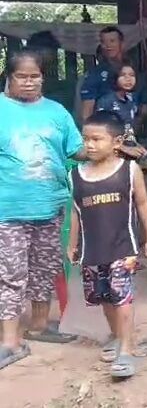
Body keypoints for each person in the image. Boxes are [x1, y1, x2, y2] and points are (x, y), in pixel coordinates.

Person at [0, 50, 86, 370]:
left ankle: (39, 326)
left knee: (44, 270)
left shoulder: (57, 112)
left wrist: (111, 146)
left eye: (34, 76)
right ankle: (9, 341)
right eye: (22, 76)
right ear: (9, 77)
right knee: (10, 275)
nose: (29, 82)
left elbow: (76, 149)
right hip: (7, 210)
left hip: (51, 206)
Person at [65, 111, 147, 378]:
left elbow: (142, 204)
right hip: (92, 250)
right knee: (104, 297)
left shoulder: (129, 170)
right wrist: (72, 244)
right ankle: (118, 337)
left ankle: (126, 351)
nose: (90, 145)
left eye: (97, 139)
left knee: (122, 297)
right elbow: (75, 211)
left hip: (122, 248)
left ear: (116, 142)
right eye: (86, 139)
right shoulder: (77, 175)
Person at [80, 27, 146, 120]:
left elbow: (143, 107)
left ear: (122, 44)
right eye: (103, 42)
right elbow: (87, 111)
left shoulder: (135, 72)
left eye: (112, 41)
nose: (108, 45)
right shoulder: (94, 74)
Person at [94, 62, 147, 159]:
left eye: (132, 75)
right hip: (112, 154)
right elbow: (100, 131)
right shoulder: (106, 101)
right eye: (123, 75)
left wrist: (137, 146)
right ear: (115, 78)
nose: (128, 79)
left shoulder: (131, 100)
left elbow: (128, 130)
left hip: (129, 152)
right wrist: (123, 148)